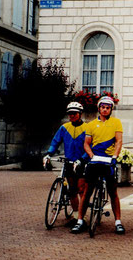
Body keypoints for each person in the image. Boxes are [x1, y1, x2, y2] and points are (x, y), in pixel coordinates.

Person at [80, 95, 125, 235]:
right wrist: (91, 156)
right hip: (95, 160)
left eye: (108, 108)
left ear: (111, 109)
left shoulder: (116, 122)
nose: (105, 110)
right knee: (87, 190)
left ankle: (118, 222)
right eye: (103, 107)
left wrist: (114, 156)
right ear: (99, 108)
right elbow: (86, 143)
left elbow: (118, 141)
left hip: (108, 161)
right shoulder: (91, 124)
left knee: (113, 192)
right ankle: (80, 220)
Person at [43, 102, 88, 231]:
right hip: (69, 162)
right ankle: (76, 217)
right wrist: (48, 154)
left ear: (80, 114)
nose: (72, 116)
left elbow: (90, 145)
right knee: (72, 191)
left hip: (82, 162)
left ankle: (82, 218)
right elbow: (55, 142)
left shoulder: (87, 128)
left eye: (74, 113)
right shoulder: (64, 128)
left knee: (81, 190)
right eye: (70, 113)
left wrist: (82, 159)